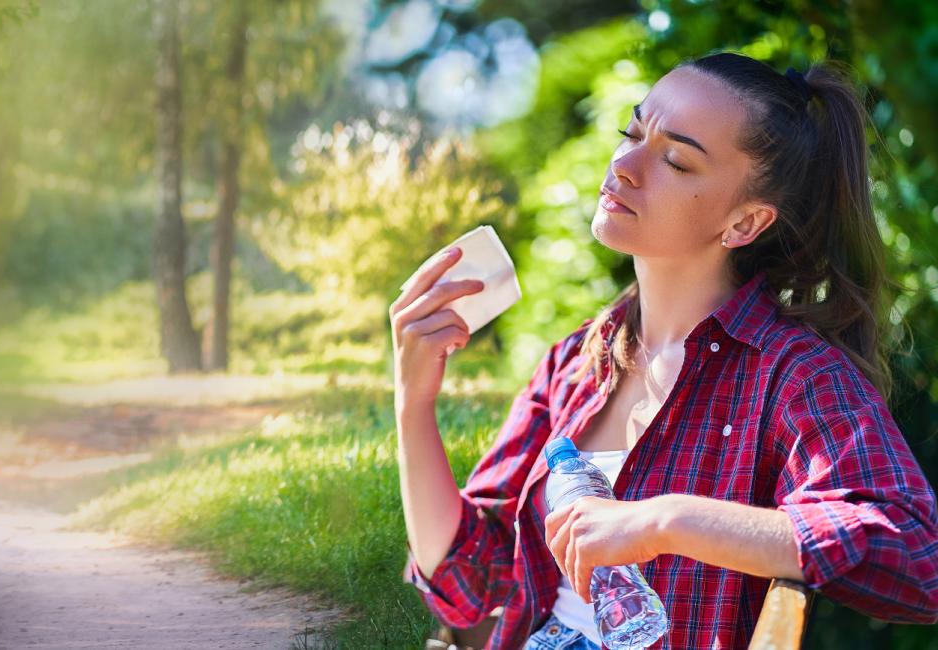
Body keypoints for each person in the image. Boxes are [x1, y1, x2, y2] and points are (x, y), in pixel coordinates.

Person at [389, 51, 938, 650]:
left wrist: (663, 521)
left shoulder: (794, 376)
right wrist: (414, 405)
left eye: (675, 160)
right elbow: (474, 583)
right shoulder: (580, 360)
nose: (624, 165)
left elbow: (915, 556)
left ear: (745, 223)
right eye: (631, 132)